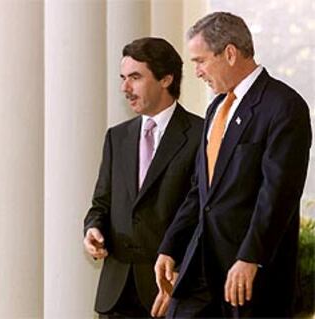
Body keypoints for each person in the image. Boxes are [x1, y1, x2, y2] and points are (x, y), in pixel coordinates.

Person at [154, 12, 312, 318]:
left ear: (229, 53)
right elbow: (201, 189)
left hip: (248, 276)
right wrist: (171, 245)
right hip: (200, 269)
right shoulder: (215, 108)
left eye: (200, 61)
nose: (197, 72)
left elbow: (278, 194)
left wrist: (251, 256)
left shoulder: (284, 107)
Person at [83, 37, 203, 318]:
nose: (125, 88)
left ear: (166, 79)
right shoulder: (117, 137)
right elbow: (101, 203)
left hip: (170, 293)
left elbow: (202, 214)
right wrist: (92, 229)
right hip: (115, 294)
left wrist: (179, 270)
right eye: (123, 78)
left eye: (135, 77)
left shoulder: (202, 135)